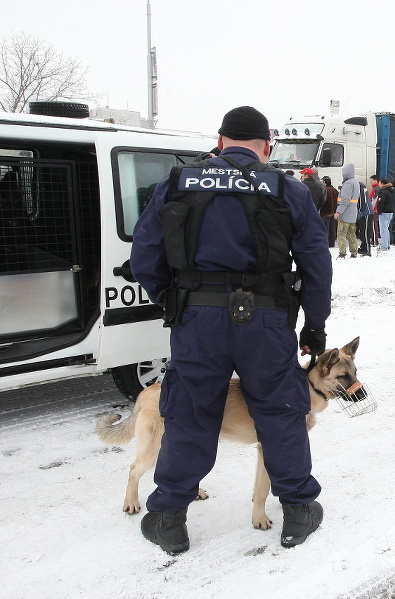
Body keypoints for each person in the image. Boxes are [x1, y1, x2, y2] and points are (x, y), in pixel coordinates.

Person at [129, 106, 332, 554]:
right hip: (266, 320)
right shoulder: (287, 190)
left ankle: (168, 517)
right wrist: (314, 326)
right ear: (267, 145)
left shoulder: (179, 183)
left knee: (191, 411)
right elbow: (316, 263)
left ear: (221, 141)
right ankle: (298, 509)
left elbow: (145, 256)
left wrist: (174, 300)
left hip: (197, 319)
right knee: (281, 412)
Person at [335, 163, 360, 258]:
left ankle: (342, 253)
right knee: (351, 234)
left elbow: (345, 200)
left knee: (341, 234)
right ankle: (354, 252)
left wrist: (338, 212)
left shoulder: (347, 184)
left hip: (345, 214)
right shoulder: (356, 183)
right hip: (353, 213)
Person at [375, 177, 393, 251]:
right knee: (386, 229)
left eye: (379, 183)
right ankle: (387, 244)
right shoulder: (390, 191)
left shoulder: (382, 192)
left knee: (383, 229)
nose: (378, 184)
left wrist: (379, 211)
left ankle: (384, 246)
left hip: (384, 212)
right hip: (390, 212)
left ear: (382, 183)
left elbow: (381, 203)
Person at [320, 175, 338, 247]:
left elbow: (323, 201)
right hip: (333, 212)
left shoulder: (325, 190)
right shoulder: (334, 190)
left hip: (326, 212)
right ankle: (332, 243)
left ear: (324, 182)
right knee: (332, 229)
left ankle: (326, 243)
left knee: (326, 228)